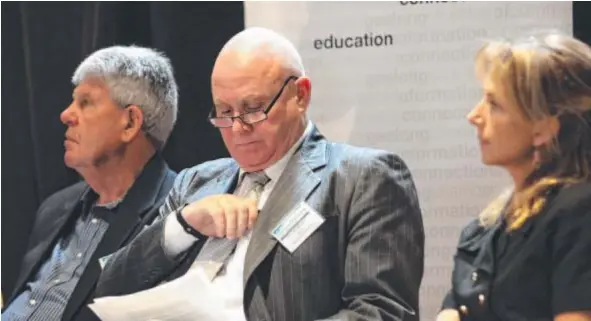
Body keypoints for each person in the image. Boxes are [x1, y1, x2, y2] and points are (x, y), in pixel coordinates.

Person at [94, 27, 425, 321]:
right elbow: (111, 287)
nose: (237, 128)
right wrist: (184, 224)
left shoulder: (362, 178)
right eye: (224, 112)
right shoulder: (195, 183)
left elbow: (382, 311)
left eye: (253, 109)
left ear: (300, 95)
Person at [2, 45, 180, 321]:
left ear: (130, 122)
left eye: (85, 102)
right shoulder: (55, 207)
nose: (66, 115)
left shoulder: (175, 214)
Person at [436, 32, 591, 321]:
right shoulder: (483, 228)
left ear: (543, 129)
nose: (474, 115)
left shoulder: (578, 213)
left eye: (494, 104)